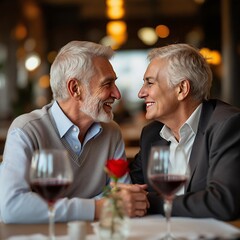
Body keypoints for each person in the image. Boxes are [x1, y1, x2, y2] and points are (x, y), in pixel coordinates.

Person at [0, 41, 148, 224]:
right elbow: (12, 207)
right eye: (107, 84)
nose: (117, 94)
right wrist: (99, 207)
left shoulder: (111, 132)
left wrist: (110, 204)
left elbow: (124, 200)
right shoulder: (26, 130)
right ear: (75, 89)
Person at [129, 43, 240, 221]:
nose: (141, 93)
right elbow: (131, 187)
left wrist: (151, 201)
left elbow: (223, 202)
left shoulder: (227, 125)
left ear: (181, 89)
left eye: (150, 83)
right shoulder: (152, 134)